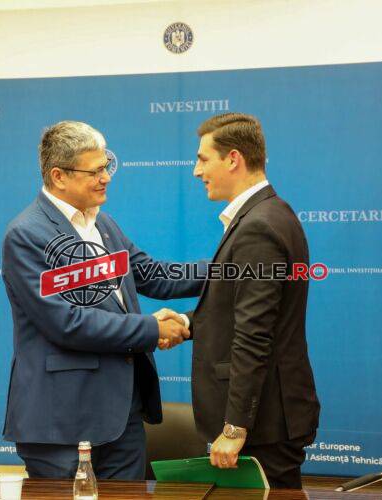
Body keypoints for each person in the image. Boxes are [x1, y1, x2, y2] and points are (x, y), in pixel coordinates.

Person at [1, 120, 202, 479]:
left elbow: (152, 274)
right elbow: (66, 322)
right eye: (94, 172)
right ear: (59, 176)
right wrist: (152, 328)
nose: (106, 177)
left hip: (122, 417)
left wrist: (230, 268)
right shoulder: (26, 234)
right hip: (63, 422)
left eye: (106, 167)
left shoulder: (102, 224)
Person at [157, 113, 320, 489]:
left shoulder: (258, 226)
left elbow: (254, 334)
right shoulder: (266, 215)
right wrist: (187, 323)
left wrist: (235, 427)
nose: (197, 171)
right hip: (267, 420)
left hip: (263, 426)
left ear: (233, 159)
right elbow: (239, 309)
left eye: (203, 159)